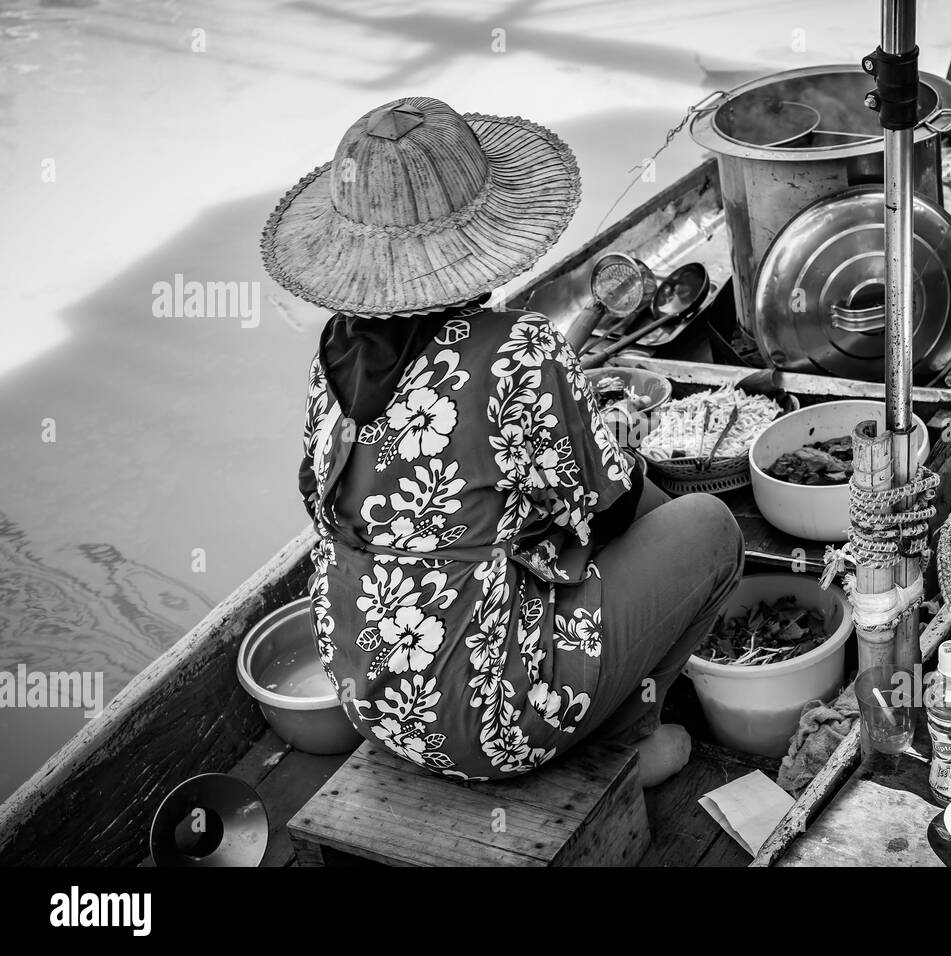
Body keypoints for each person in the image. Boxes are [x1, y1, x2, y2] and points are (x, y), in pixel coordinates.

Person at [261, 96, 744, 787]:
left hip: (371, 702)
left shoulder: (333, 356)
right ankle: (628, 743)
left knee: (567, 522)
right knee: (708, 527)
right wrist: (625, 473)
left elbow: (322, 498)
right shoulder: (515, 348)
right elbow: (608, 507)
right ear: (479, 239)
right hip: (485, 724)